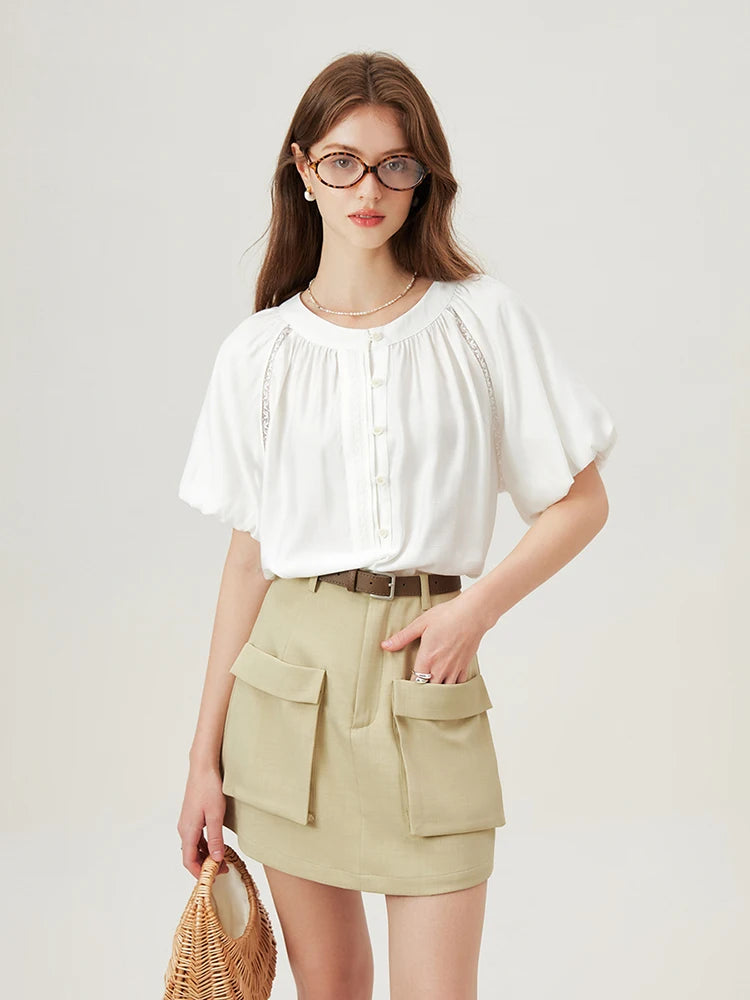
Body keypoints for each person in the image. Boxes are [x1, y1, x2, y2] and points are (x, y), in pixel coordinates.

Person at [176, 50, 617, 1000]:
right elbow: (247, 562)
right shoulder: (258, 352)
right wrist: (202, 761)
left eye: (395, 165)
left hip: (426, 674)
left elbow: (581, 502)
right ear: (302, 169)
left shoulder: (479, 319)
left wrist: (475, 611)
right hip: (288, 693)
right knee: (331, 986)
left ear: (425, 178)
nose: (368, 189)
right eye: (342, 162)